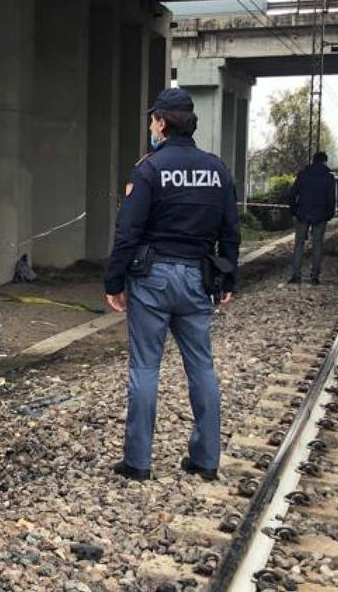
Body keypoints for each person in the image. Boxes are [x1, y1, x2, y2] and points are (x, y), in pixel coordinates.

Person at [104, 87, 240, 482]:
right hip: (198, 278)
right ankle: (205, 459)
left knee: (146, 366)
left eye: (152, 120)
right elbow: (230, 231)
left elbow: (127, 231)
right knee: (202, 367)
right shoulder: (217, 169)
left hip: (152, 279)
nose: (150, 126)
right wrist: (227, 278)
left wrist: (114, 280)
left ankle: (138, 462)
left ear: (162, 123)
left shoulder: (148, 169)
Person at [287, 151, 337, 285]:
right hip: (320, 215)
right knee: (317, 246)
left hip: (302, 214)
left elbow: (292, 194)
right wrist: (329, 214)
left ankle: (296, 275)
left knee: (299, 245)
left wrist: (294, 211)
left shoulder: (302, 175)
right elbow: (331, 199)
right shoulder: (329, 178)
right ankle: (314, 276)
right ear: (324, 161)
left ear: (313, 161)